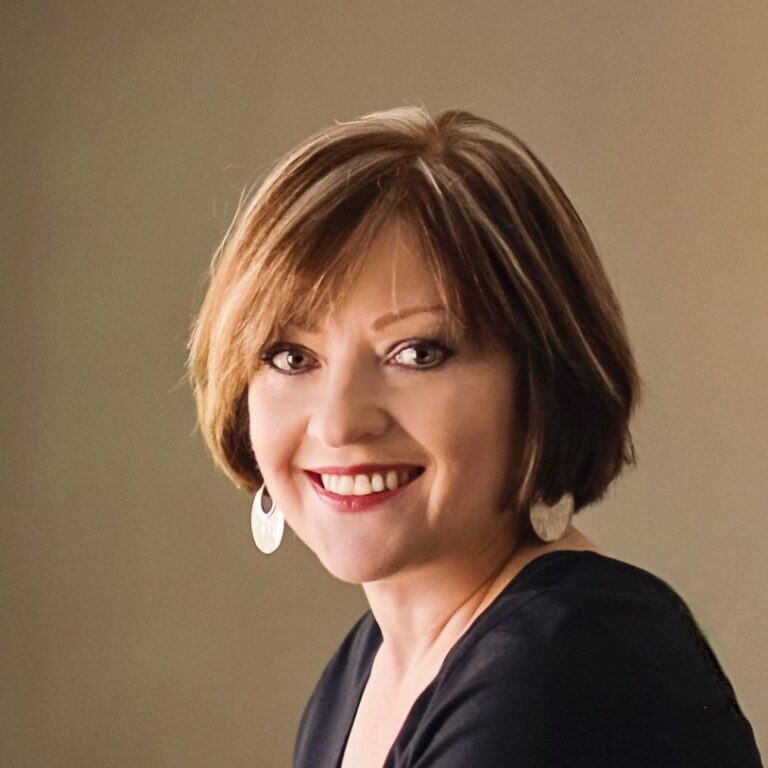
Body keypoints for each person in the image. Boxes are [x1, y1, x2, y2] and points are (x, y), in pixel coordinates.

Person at [188, 107, 762, 767]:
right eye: (291, 357)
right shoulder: (363, 670)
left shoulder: (564, 664)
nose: (340, 422)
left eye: (418, 353)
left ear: (542, 381)